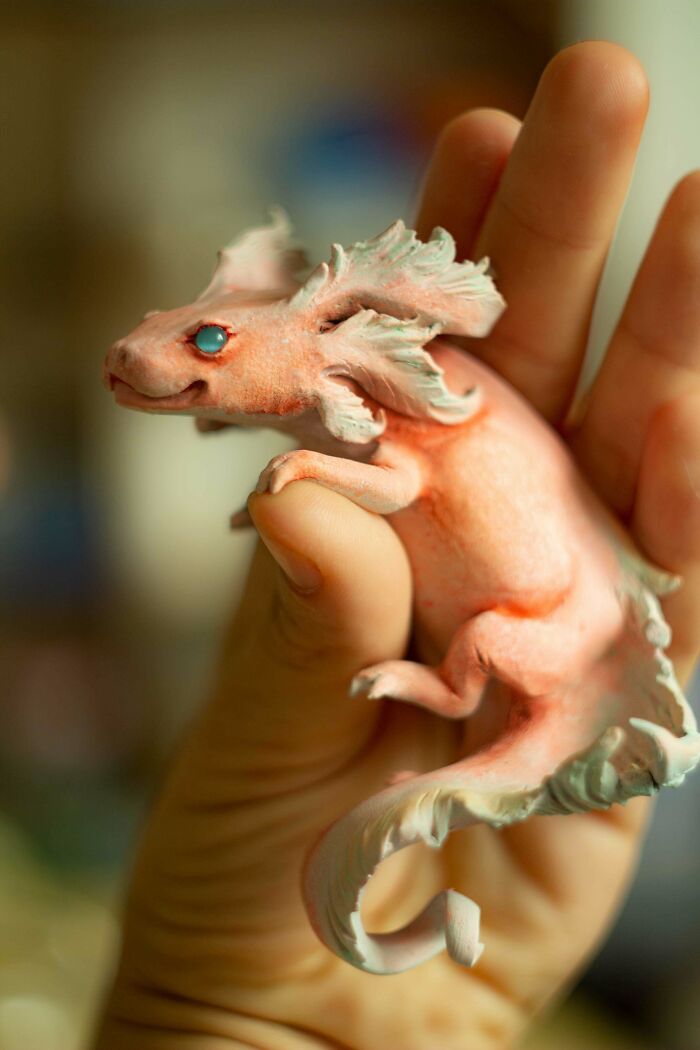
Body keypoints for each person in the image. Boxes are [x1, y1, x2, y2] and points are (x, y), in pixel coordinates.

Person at [93, 41, 700, 1050]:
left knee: (487, 648)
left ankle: (451, 697)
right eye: (178, 329)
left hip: (540, 643)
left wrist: (447, 691)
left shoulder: (373, 424)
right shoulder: (346, 399)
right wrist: (218, 1017)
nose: (145, 348)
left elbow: (407, 484)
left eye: (206, 340)